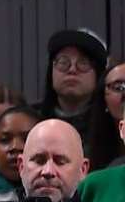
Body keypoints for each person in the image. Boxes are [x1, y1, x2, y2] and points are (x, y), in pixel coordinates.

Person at [43, 29, 124, 172]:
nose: (72, 70)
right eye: (63, 62)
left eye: (83, 63)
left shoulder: (112, 129)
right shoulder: (35, 125)